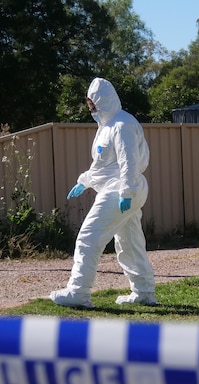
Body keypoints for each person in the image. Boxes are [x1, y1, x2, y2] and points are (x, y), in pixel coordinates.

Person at [50, 77, 158, 308]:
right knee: (129, 241)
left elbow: (128, 163)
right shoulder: (107, 127)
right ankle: (144, 292)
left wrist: (125, 193)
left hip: (120, 190)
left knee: (88, 238)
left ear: (101, 100)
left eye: (92, 102)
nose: (90, 107)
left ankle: (78, 292)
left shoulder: (121, 125)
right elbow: (104, 165)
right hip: (120, 189)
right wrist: (85, 181)